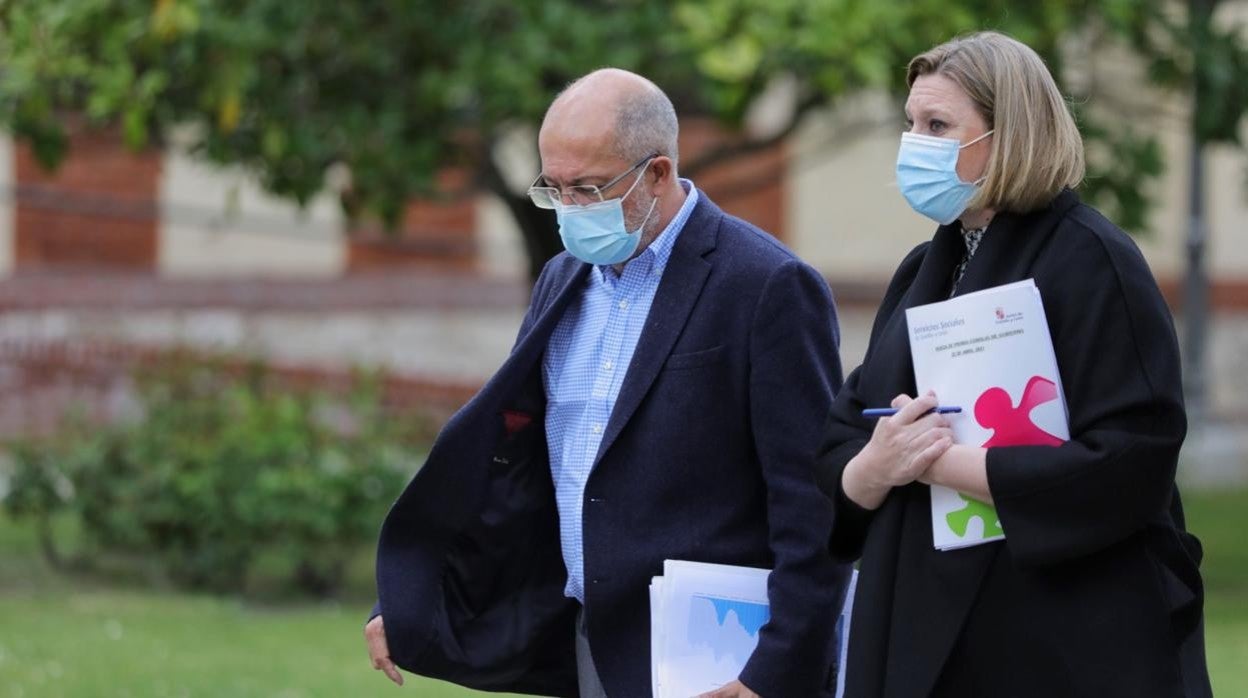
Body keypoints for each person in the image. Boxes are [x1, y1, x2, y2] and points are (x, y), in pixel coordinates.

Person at [366, 68, 852, 698]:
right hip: (590, 644)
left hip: (720, 659)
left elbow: (812, 504)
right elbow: (519, 476)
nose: (570, 210)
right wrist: (410, 598)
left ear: (657, 173)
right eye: (555, 189)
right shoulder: (561, 279)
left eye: (589, 189)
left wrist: (774, 671)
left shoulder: (766, 285)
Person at [814, 31, 1212, 697]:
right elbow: (846, 429)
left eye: (938, 125)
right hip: (910, 626)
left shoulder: (1092, 259)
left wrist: (942, 463)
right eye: (911, 123)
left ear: (1009, 137)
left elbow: (1132, 458)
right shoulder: (924, 268)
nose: (915, 143)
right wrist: (872, 468)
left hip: (1048, 640)